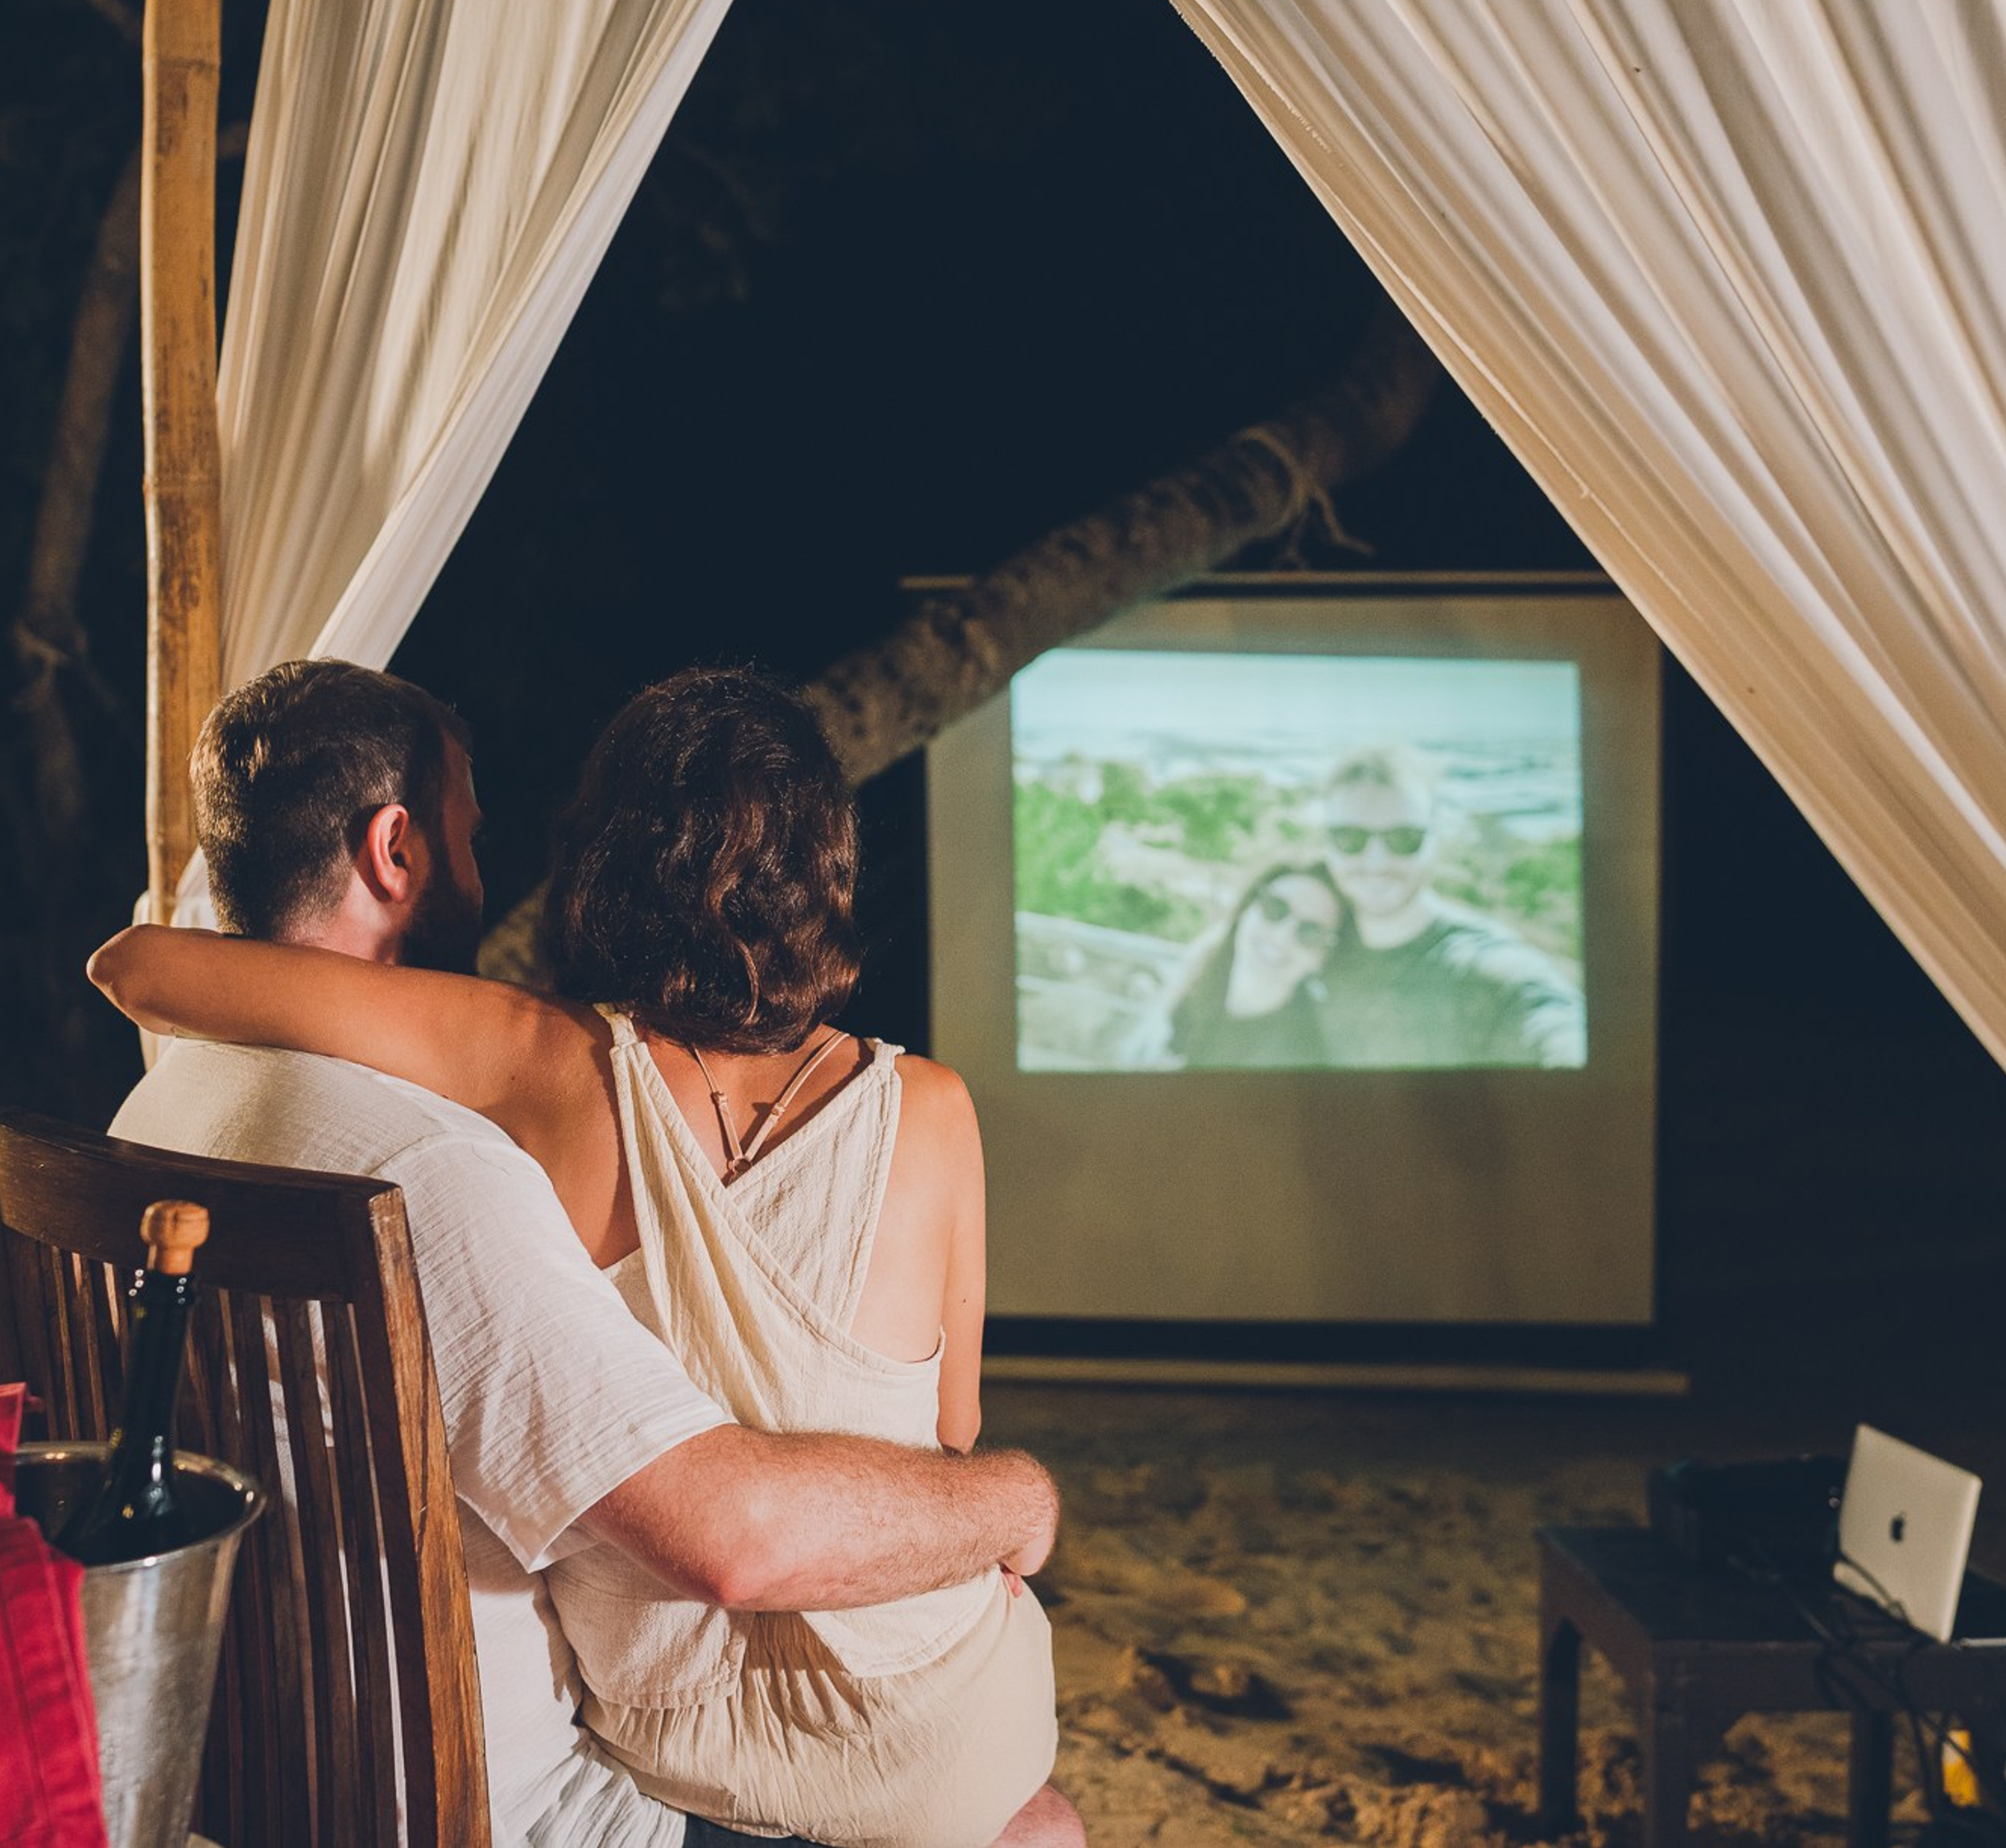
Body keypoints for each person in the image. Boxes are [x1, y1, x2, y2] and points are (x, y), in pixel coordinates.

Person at [94, 660, 1080, 1848]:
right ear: (830, 874)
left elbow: (135, 967)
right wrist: (1018, 1509)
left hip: (540, 1730)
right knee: (1041, 1821)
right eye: (468, 829)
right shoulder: (924, 1106)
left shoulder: (527, 1067)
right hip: (828, 1722)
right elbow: (918, 1451)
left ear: (611, 857)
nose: (483, 856)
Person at [1313, 749, 1585, 1069]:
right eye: (1350, 837)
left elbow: (1549, 1022)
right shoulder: (1309, 944)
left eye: (1404, 838)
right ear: (1326, 841)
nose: (1376, 861)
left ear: (1434, 838)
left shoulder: (1485, 971)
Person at [1162, 863, 1346, 1068]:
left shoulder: (1299, 1060)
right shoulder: (1188, 986)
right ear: (1246, 910)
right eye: (1275, 908)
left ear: (1321, 960)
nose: (1282, 936)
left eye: (1311, 932)